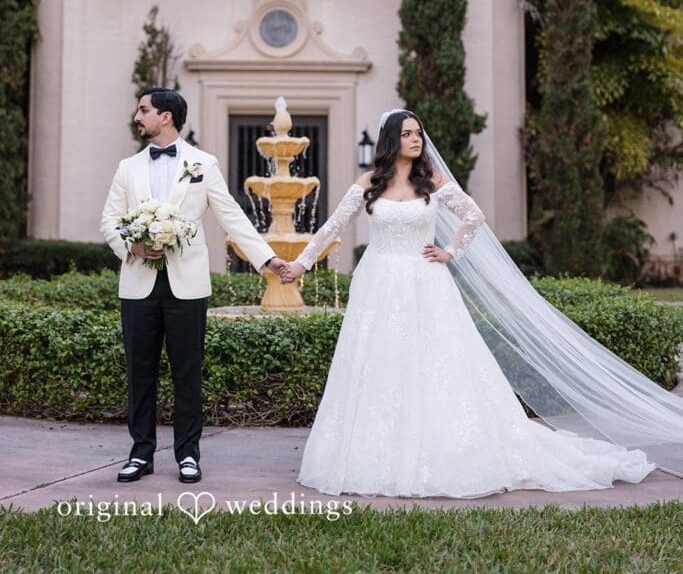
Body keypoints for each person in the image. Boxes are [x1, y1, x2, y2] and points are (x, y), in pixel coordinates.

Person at [279, 109, 656, 498]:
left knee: (438, 362)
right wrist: (301, 263)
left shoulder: (434, 181)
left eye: (418, 133)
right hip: (378, 284)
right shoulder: (368, 184)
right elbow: (331, 227)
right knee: (378, 363)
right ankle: (372, 455)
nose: (416, 140)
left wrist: (451, 251)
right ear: (391, 139)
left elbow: (473, 215)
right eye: (407, 134)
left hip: (426, 281)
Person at [101, 88, 285, 485]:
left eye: (144, 110)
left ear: (165, 117)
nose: (138, 116)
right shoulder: (127, 167)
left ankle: (188, 455)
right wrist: (131, 244)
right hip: (138, 283)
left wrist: (267, 259)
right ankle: (140, 453)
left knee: (187, 372)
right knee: (139, 372)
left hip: (188, 286)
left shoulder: (204, 163)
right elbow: (109, 220)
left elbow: (231, 215)